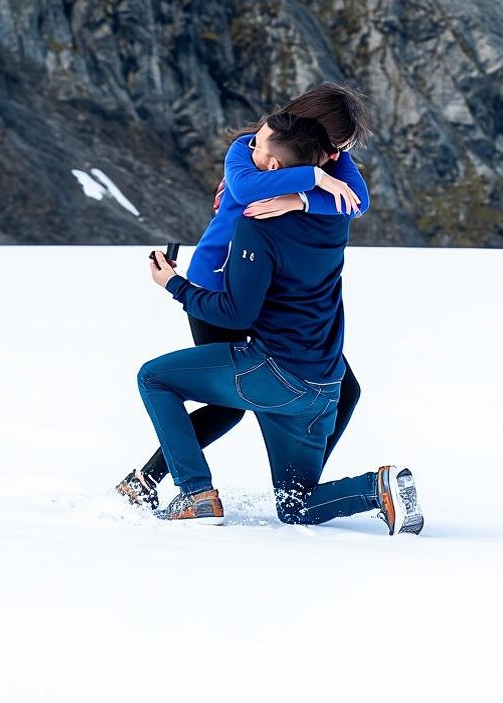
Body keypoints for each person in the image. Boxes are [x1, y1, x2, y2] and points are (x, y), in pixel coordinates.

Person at [133, 110, 423, 532]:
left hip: (276, 375)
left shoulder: (256, 228)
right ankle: (378, 488)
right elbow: (350, 193)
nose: (248, 146)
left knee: (154, 378)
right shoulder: (335, 217)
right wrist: (312, 187)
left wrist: (173, 284)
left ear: (271, 167)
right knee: (296, 507)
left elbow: (237, 313)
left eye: (258, 145)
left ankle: (195, 492)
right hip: (324, 386)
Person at [117, 83, 371, 510]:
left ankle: (301, 489)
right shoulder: (247, 150)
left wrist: (303, 200)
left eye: (341, 149)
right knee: (224, 402)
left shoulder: (329, 163)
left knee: (345, 389)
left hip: (268, 287)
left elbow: (356, 202)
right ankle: (153, 479)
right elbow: (246, 187)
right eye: (335, 145)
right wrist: (314, 179)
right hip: (219, 285)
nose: (339, 155)